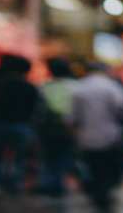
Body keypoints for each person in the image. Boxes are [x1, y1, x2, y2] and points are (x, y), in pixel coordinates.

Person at [68, 61, 123, 211]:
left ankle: (97, 195)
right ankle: (103, 197)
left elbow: (72, 117)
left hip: (87, 138)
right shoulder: (111, 86)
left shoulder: (78, 87)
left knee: (94, 168)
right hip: (111, 137)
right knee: (108, 170)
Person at [0, 54, 41, 200]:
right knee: (19, 158)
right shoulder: (31, 88)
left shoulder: (2, 85)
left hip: (0, 125)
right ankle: (14, 187)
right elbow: (37, 109)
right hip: (22, 126)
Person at [35, 57, 77, 197]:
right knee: (62, 156)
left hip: (47, 127)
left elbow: (39, 108)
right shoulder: (75, 85)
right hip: (67, 127)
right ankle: (56, 183)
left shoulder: (45, 86)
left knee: (47, 156)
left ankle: (48, 182)